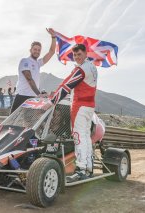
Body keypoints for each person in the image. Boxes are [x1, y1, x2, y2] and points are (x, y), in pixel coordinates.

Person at [44, 44, 98, 182]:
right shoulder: (92, 67)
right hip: (89, 106)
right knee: (85, 137)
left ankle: (80, 170)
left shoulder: (82, 69)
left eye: (79, 54)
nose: (77, 57)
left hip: (80, 106)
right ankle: (88, 168)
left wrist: (52, 101)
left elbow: (66, 85)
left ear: (86, 54)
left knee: (79, 137)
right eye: (75, 55)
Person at [10, 28, 56, 114]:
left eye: (39, 50)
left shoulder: (38, 63)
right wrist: (39, 94)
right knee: (11, 123)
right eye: (35, 49)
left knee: (28, 123)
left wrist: (53, 37)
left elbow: (51, 52)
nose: (37, 51)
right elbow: (29, 79)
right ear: (30, 50)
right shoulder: (25, 61)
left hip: (32, 98)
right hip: (22, 96)